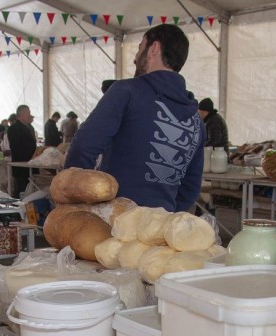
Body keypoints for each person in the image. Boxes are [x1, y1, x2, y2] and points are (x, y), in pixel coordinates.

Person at [65, 24, 205, 212]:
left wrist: (71, 197)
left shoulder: (127, 92)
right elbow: (191, 188)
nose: (134, 58)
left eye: (140, 48)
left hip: (114, 226)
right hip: (160, 230)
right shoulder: (197, 121)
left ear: (153, 49)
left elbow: (84, 146)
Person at [7, 105, 38, 197]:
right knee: (21, 190)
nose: (29, 115)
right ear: (21, 114)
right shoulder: (14, 128)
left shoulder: (28, 127)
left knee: (30, 190)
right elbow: (17, 147)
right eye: (28, 113)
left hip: (29, 164)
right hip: (21, 165)